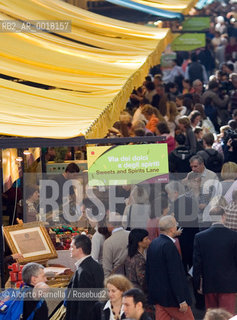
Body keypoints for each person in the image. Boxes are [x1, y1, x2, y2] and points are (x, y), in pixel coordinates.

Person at [146, 215, 194, 320]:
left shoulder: (153, 243)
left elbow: (149, 271)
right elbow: (175, 274)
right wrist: (181, 299)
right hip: (173, 299)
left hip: (158, 297)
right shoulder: (169, 246)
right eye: (176, 225)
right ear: (172, 229)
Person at [193, 206, 237, 314]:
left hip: (209, 283)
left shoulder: (200, 237)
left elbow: (197, 263)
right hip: (229, 285)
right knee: (227, 315)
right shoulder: (234, 236)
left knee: (212, 315)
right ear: (224, 217)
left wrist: (197, 284)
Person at [65, 235, 104, 320]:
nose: (69, 249)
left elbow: (84, 304)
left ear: (79, 249)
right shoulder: (95, 265)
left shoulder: (84, 271)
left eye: (72, 247)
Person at [103, 212, 130, 277]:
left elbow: (107, 268)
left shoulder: (108, 242)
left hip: (118, 278)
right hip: (134, 276)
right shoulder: (131, 235)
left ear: (109, 224)